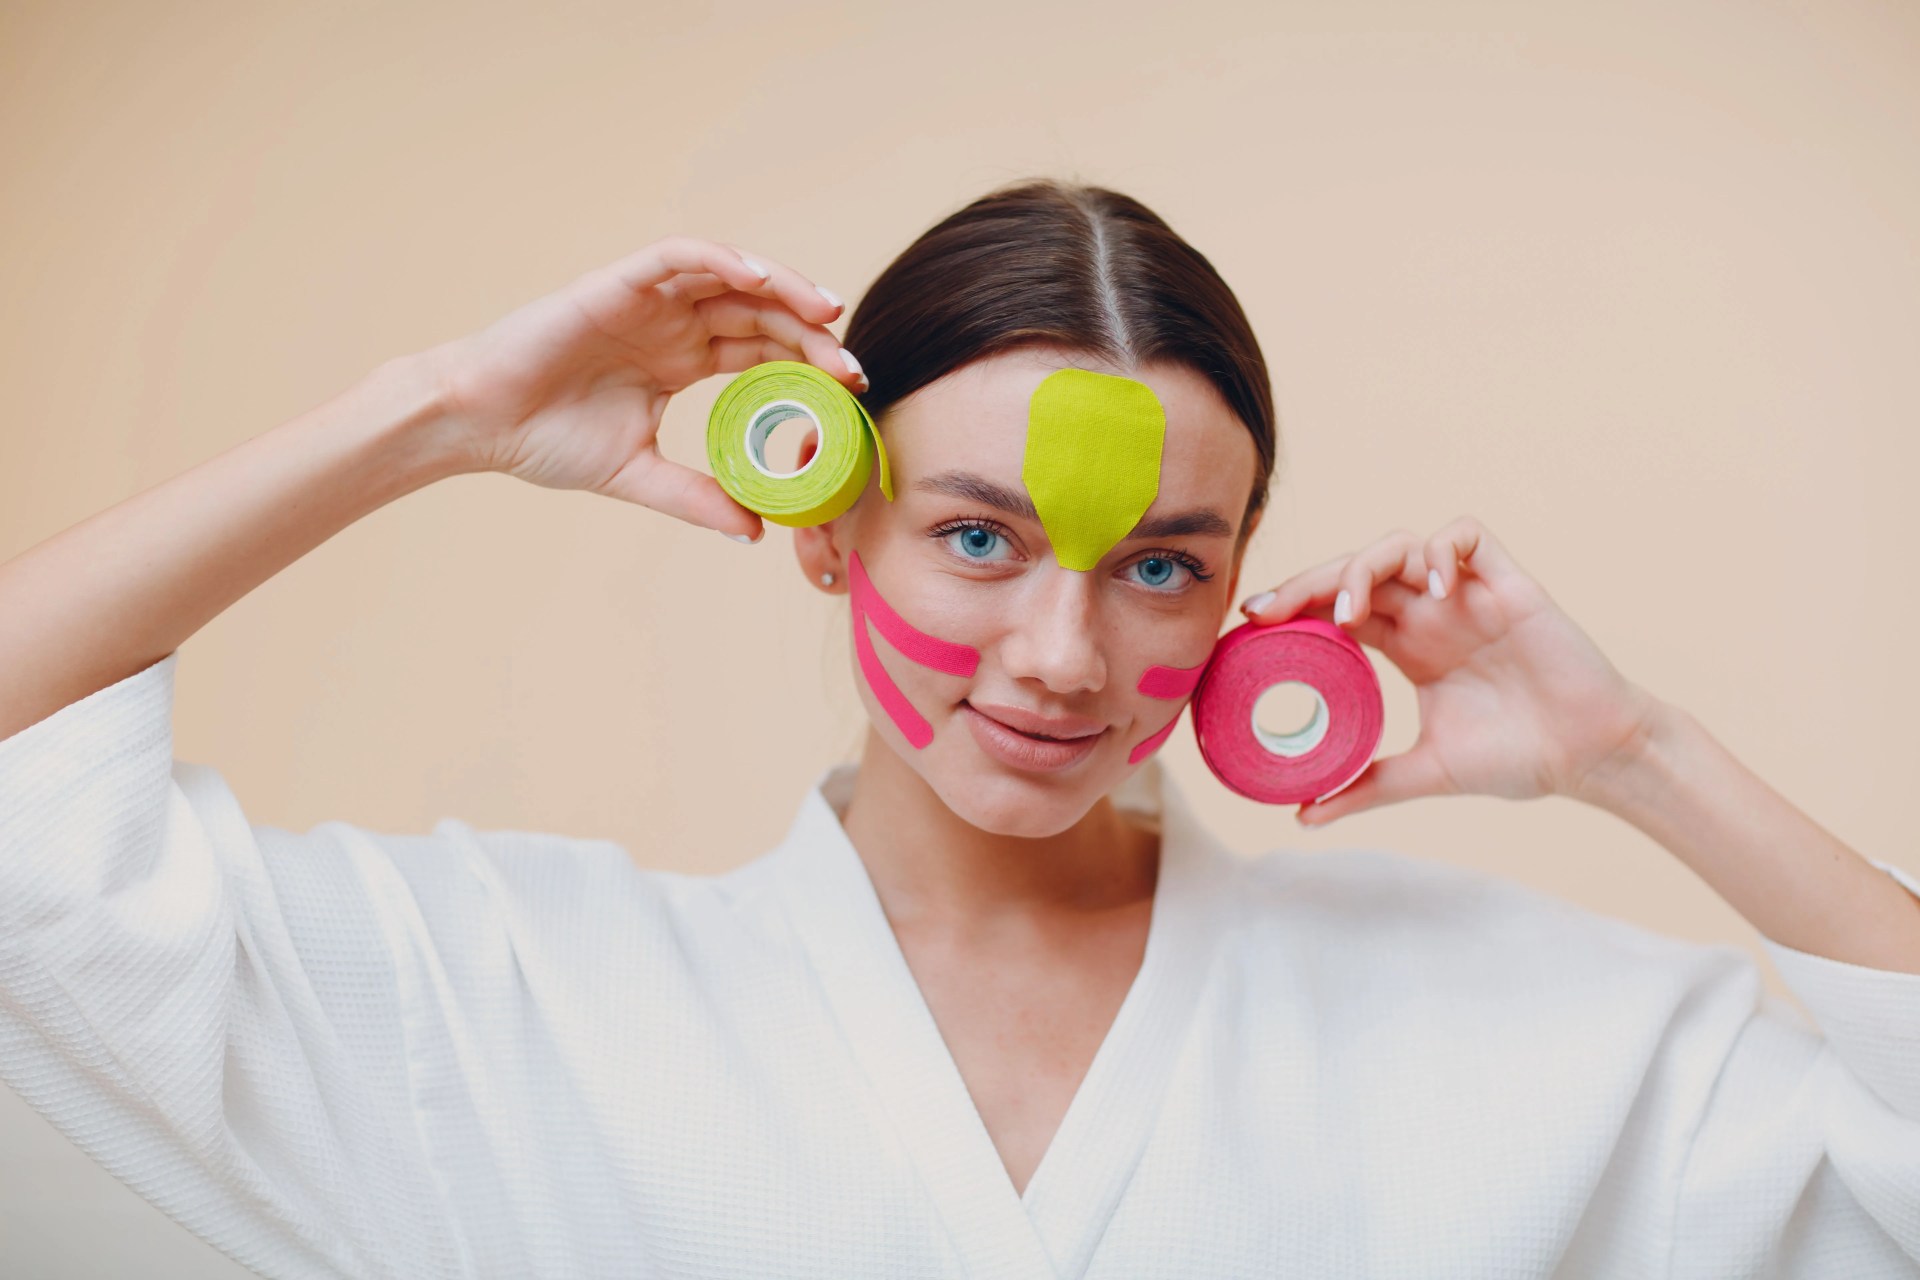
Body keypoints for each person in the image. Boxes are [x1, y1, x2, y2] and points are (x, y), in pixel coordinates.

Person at [1, 179, 1916, 1280]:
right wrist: (430, 411)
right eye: (979, 538)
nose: (1062, 657)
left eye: (1162, 566)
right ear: (827, 517)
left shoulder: (1511, 1029)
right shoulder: (525, 1004)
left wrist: (1633, 753)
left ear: (1248, 586)